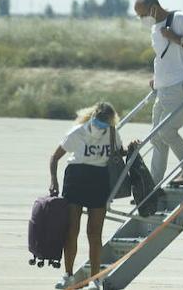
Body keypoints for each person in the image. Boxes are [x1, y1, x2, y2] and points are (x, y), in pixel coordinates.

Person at [48, 102, 133, 290]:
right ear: (93, 116)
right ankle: (68, 276)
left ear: (111, 121)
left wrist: (131, 148)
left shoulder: (112, 133)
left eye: (105, 122)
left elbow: (119, 152)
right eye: (99, 121)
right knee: (72, 231)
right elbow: (55, 157)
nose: (101, 125)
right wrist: (54, 181)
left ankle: (96, 279)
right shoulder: (77, 132)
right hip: (76, 178)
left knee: (94, 233)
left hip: (99, 180)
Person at [133, 0, 183, 188]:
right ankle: (153, 187)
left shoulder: (179, 19)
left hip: (181, 83)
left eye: (142, 15)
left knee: (167, 131)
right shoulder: (155, 27)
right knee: (157, 138)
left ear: (153, 8)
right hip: (164, 87)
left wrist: (175, 37)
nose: (141, 20)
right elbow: (166, 57)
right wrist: (157, 79)